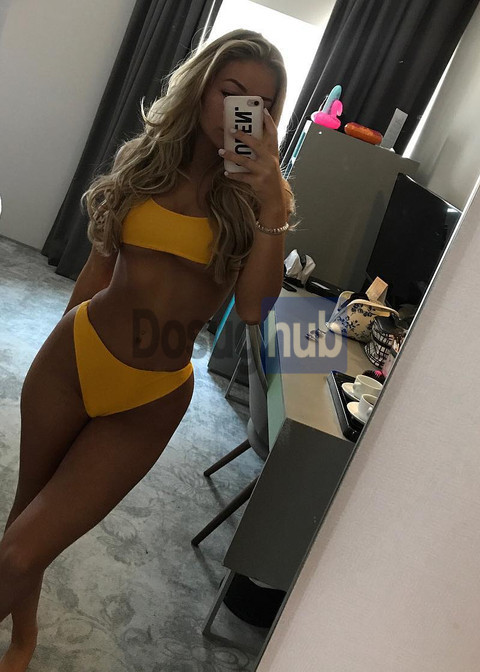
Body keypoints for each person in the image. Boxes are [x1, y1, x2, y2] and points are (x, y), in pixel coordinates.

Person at [0, 28, 294, 671]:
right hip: (73, 362)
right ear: (203, 90)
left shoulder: (255, 203)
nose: (242, 112)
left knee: (22, 549)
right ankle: (23, 640)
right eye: (230, 92)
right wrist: (61, 338)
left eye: (261, 105)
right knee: (23, 527)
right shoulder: (147, 163)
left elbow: (255, 309)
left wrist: (273, 197)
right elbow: (97, 270)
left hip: (151, 398)